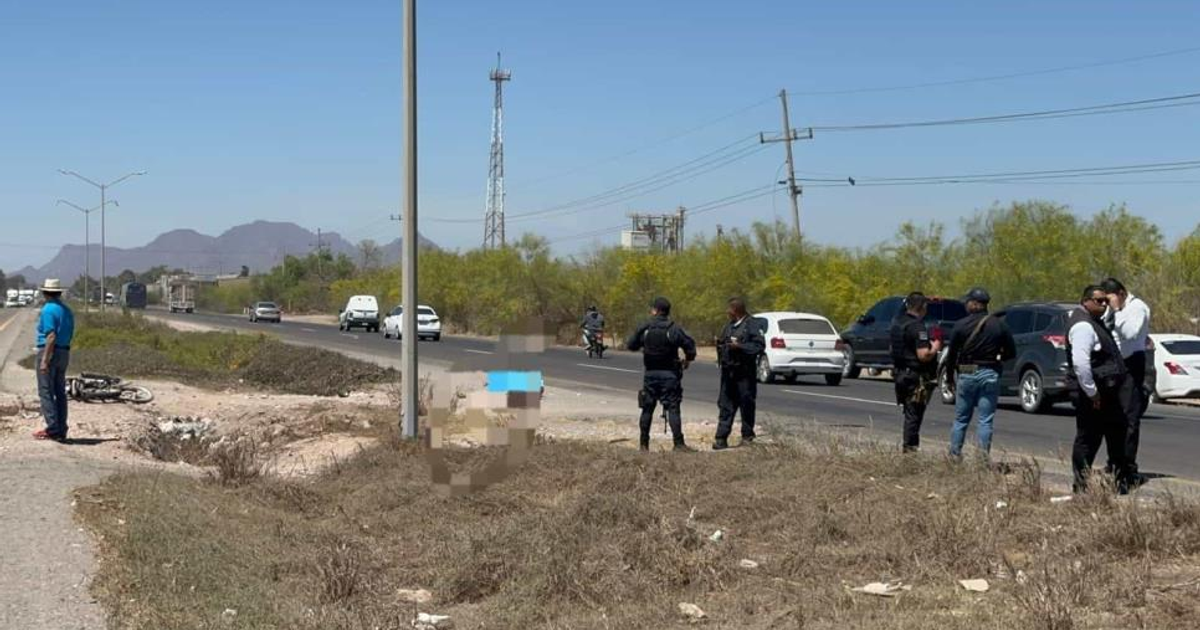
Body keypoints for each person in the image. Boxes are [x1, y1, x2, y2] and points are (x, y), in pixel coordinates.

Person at [1067, 285, 1133, 493]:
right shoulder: (1083, 326)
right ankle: (1081, 486)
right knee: (1088, 440)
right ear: (1085, 301)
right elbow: (1081, 364)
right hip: (1095, 395)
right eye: (1099, 301)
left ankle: (1120, 482)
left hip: (1107, 392)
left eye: (1106, 300)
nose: (1104, 304)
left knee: (1117, 435)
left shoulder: (1095, 322)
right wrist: (1092, 392)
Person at [944, 288, 1015, 459]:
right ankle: (982, 459)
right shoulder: (999, 324)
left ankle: (954, 456)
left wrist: (949, 378)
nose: (966, 304)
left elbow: (951, 355)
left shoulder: (961, 325)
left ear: (974, 304)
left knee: (961, 419)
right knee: (985, 420)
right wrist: (997, 358)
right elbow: (1011, 352)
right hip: (990, 371)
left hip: (967, 370)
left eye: (967, 301)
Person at [625, 297, 697, 452]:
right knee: (673, 408)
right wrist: (688, 360)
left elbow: (631, 345)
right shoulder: (673, 329)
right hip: (670, 375)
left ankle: (643, 445)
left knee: (647, 409)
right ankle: (678, 444)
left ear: (655, 311)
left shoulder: (646, 328)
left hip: (650, 375)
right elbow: (690, 347)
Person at [1101, 277, 1151, 479]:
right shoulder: (1112, 309)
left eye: (1110, 299)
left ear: (1121, 293)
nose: (1107, 304)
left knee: (1130, 417)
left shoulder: (1137, 308)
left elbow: (1130, 333)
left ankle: (1128, 465)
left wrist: (1116, 312)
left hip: (1132, 363)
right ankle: (1114, 460)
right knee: (1113, 416)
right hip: (1114, 365)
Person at [890, 292, 943, 452]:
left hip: (900, 373)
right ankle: (910, 450)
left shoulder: (897, 324)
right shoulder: (917, 326)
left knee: (909, 413)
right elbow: (924, 355)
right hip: (915, 376)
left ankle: (910, 448)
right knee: (914, 415)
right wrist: (935, 346)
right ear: (923, 307)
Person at [713, 297, 765, 450]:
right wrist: (721, 344)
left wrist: (740, 346)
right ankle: (721, 438)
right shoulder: (729, 326)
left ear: (735, 310)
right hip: (729, 373)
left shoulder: (752, 325)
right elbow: (724, 343)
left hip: (745, 374)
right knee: (725, 405)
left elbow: (758, 346)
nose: (727, 312)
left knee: (746, 404)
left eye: (729, 309)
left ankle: (747, 437)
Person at [34, 279, 75, 441]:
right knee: (60, 391)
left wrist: (45, 360)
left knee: (45, 391)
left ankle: (52, 428)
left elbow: (51, 336)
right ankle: (61, 427)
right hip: (64, 351)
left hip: (49, 351)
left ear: (45, 293)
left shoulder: (48, 310)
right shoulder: (66, 310)